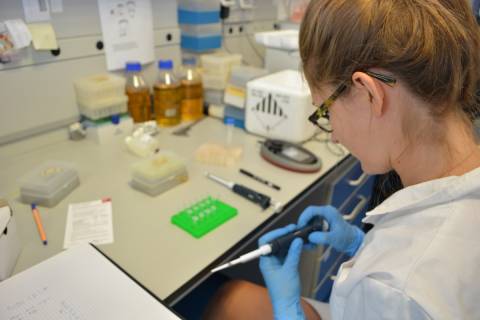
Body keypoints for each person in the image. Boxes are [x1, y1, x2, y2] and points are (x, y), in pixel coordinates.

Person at [203, 0, 480, 319]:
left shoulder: (397, 290)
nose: (333, 135)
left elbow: (403, 287)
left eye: (325, 111)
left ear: (368, 94)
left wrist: (289, 313)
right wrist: (361, 246)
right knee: (235, 298)